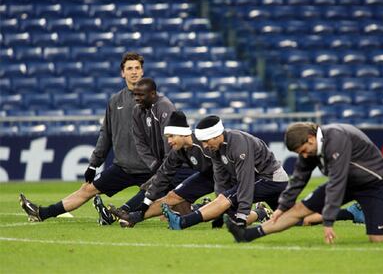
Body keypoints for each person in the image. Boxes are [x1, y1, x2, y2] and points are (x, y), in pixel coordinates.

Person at [19, 52, 156, 224]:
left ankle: (113, 215)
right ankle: (41, 213)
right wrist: (94, 164)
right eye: (130, 68)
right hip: (123, 168)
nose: (134, 72)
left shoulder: (154, 100)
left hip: (150, 169)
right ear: (123, 73)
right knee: (86, 190)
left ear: (142, 71)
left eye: (137, 68)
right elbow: (106, 134)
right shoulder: (115, 101)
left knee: (167, 205)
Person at [226, 122, 383, 243]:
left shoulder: (336, 138)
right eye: (300, 153)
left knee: (378, 238)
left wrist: (329, 222)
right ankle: (248, 235)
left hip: (372, 182)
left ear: (311, 138)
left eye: (304, 150)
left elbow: (337, 182)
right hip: (347, 181)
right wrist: (282, 207)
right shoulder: (311, 148)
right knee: (299, 210)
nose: (304, 155)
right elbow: (298, 179)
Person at [108, 111, 270, 227]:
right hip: (207, 176)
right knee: (172, 196)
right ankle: (135, 218)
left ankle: (260, 212)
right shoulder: (177, 152)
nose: (169, 141)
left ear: (183, 134)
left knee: (230, 219)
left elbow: (235, 168)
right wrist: (143, 207)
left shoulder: (205, 144)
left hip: (229, 177)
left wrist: (225, 199)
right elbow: (161, 178)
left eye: (171, 136)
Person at [161, 115, 289, 230]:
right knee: (293, 219)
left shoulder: (238, 144)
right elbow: (220, 178)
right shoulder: (215, 148)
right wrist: (221, 213)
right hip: (262, 180)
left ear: (217, 135)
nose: (204, 146)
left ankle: (182, 222)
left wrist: (242, 215)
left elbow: (246, 180)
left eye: (206, 141)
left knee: (227, 201)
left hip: (270, 179)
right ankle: (261, 213)